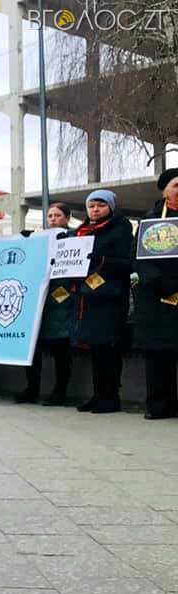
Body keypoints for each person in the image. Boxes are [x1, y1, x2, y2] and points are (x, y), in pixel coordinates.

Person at [70, 189, 134, 414]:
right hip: (88, 298)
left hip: (110, 298)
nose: (95, 210)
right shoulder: (82, 231)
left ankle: (111, 397)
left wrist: (102, 260)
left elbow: (129, 263)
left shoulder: (121, 229)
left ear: (111, 207)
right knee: (96, 349)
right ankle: (98, 395)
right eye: (91, 206)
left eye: (101, 205)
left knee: (109, 349)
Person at [16, 202, 75, 405]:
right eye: (50, 216)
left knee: (61, 349)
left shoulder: (74, 237)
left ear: (67, 217)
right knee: (33, 348)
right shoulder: (41, 238)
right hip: (40, 300)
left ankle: (60, 391)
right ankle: (32, 388)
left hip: (63, 301)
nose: (53, 219)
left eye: (57, 215)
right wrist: (26, 241)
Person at [134, 168, 178, 419]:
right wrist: (159, 282)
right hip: (157, 296)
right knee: (158, 354)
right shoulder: (149, 221)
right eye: (177, 185)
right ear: (164, 191)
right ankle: (159, 405)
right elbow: (138, 257)